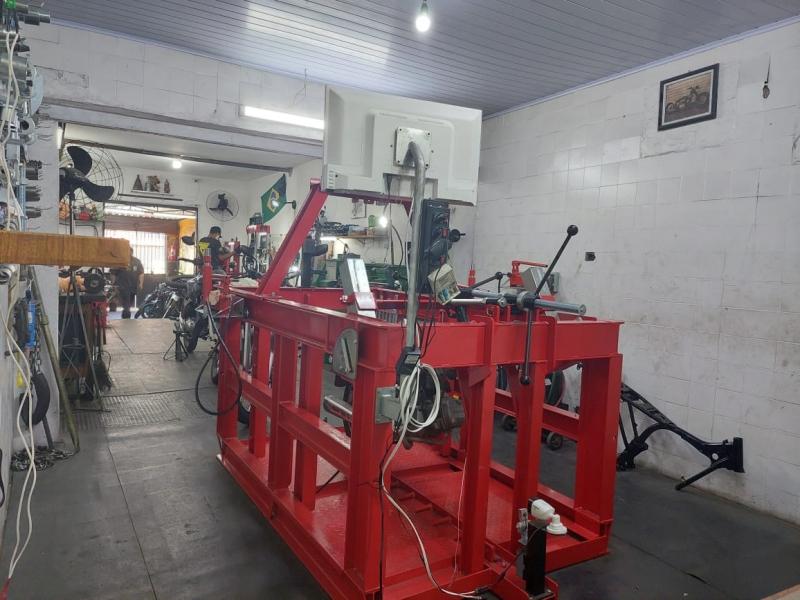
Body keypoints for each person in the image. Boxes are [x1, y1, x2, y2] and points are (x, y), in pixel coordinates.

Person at [113, 248, 144, 319]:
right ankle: (126, 315)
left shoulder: (137, 261)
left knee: (130, 302)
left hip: (133, 286)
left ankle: (126, 312)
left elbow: (141, 273)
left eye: (130, 252)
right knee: (126, 303)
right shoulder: (120, 261)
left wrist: (141, 283)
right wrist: (114, 284)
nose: (128, 253)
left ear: (132, 252)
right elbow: (113, 273)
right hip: (122, 286)